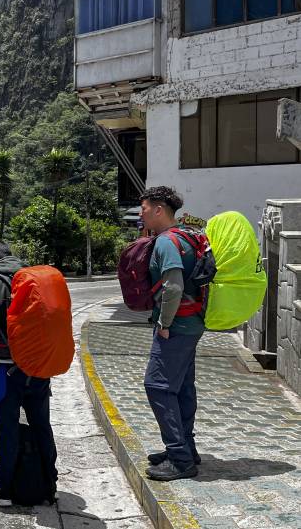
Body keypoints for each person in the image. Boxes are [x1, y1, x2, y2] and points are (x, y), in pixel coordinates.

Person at [0, 240, 58, 506]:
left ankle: (2, 489)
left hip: (2, 369)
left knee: (4, 429)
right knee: (42, 424)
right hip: (38, 368)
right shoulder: (34, 278)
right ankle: (49, 485)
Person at [139, 186, 204, 481]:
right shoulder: (189, 236)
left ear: (158, 210)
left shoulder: (166, 242)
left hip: (176, 326)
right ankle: (186, 448)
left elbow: (174, 285)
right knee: (182, 387)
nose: (141, 214)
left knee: (157, 386)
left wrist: (164, 323)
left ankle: (180, 459)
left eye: (143, 209)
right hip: (192, 324)